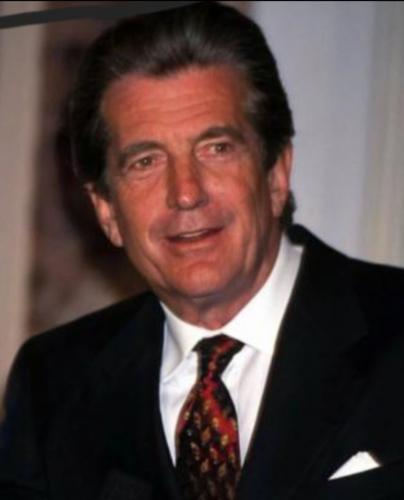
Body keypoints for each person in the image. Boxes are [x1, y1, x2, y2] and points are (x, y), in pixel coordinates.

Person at [1, 2, 404, 499]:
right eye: (146, 162)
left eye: (216, 149)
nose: (186, 193)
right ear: (106, 210)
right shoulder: (52, 383)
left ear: (276, 174)